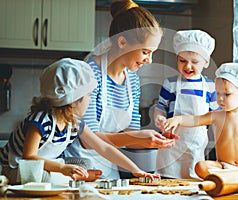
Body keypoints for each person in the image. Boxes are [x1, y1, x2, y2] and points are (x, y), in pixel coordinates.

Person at [64, 0, 177, 179]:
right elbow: (88, 140)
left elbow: (130, 133)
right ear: (122, 42)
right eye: (146, 52)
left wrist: (156, 139)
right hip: (78, 170)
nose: (150, 60)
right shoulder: (89, 73)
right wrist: (137, 137)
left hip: (109, 171)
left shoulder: (132, 79)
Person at [0, 58, 160, 185]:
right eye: (89, 95)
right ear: (72, 100)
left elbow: (103, 147)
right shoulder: (42, 120)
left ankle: (76, 177)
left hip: (46, 164)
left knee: (84, 163)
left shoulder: (74, 122)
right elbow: (29, 158)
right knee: (42, 176)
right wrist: (62, 168)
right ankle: (76, 179)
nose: (90, 101)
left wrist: (136, 170)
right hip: (16, 168)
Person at [162, 62, 238, 179]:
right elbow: (195, 120)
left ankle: (237, 177)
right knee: (200, 166)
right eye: (218, 93)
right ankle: (233, 178)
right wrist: (178, 119)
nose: (220, 98)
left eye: (226, 94)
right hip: (223, 167)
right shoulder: (217, 116)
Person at [154, 30, 219, 179]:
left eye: (194, 62)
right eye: (182, 61)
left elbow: (216, 119)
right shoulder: (170, 83)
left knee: (193, 182)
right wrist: (160, 118)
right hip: (171, 146)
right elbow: (160, 108)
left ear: (206, 62)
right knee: (168, 184)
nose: (188, 66)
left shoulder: (210, 87)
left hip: (195, 147)